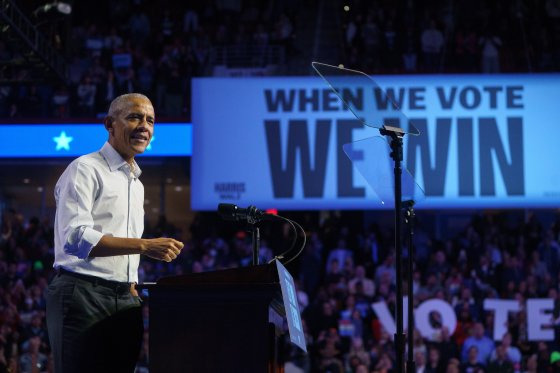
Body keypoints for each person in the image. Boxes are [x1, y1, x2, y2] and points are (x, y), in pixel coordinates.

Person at [46, 93, 184, 372]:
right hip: (81, 293)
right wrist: (144, 246)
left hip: (125, 298)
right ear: (109, 124)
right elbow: (75, 237)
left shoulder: (135, 180)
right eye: (134, 117)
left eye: (150, 120)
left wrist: (129, 279)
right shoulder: (85, 169)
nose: (144, 125)